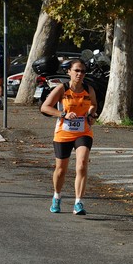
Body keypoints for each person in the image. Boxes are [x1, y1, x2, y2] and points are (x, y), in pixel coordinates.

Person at [41, 59, 98, 216]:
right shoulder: (62, 89)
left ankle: (78, 202)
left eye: (83, 71)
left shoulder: (89, 89)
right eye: (77, 71)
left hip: (83, 132)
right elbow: (45, 107)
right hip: (63, 133)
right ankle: (57, 197)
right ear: (69, 72)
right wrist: (63, 114)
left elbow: (94, 104)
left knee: (82, 164)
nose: (80, 74)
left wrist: (91, 114)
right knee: (61, 170)